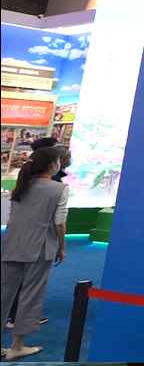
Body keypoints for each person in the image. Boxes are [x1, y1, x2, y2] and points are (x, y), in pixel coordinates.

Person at [1, 147, 69, 360]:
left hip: (13, 244)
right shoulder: (59, 188)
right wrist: (62, 247)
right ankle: (17, 346)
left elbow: (11, 217)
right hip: (39, 247)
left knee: (3, 293)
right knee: (31, 294)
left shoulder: (22, 186)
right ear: (53, 165)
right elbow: (60, 221)